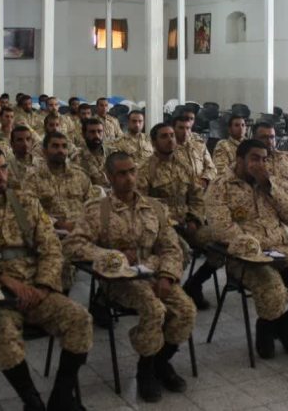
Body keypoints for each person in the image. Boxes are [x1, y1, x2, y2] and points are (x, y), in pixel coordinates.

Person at [0, 145, 92, 410]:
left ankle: (61, 395)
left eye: (3, 168)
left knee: (80, 319)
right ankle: (31, 400)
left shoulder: (26, 204)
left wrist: (44, 287)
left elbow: (51, 248)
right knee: (3, 334)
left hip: (37, 291)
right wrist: (3, 279)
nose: (0, 175)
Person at [64, 151, 196, 403]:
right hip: (119, 280)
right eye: (122, 173)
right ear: (110, 177)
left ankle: (161, 361)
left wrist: (168, 276)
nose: (129, 178)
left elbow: (170, 246)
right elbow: (73, 245)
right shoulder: (97, 210)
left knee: (186, 310)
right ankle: (145, 371)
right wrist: (111, 255)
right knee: (155, 309)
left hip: (155, 274)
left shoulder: (154, 207)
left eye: (132, 171)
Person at [206, 139, 288, 358]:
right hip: (246, 257)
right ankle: (266, 329)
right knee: (276, 291)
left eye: (264, 159)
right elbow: (222, 230)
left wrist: (270, 188)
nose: (260, 164)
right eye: (254, 159)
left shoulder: (270, 183)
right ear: (239, 160)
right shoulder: (220, 186)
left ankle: (285, 325)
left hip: (283, 251)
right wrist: (258, 250)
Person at [22, 132, 97, 232]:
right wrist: (57, 224)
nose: (60, 150)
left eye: (64, 146)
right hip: (50, 231)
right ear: (44, 151)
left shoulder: (80, 175)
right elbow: (30, 209)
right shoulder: (32, 178)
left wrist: (84, 223)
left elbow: (92, 204)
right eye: (55, 146)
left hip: (82, 229)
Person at [172, 110, 216, 189]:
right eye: (181, 128)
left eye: (188, 128)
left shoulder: (198, 145)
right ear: (174, 129)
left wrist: (205, 179)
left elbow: (211, 167)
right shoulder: (168, 148)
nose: (185, 132)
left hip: (201, 191)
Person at [74, 117, 109, 187]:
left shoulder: (113, 153)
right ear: (84, 135)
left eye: (99, 131)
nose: (96, 135)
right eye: (92, 132)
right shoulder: (77, 157)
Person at [6, 124, 39, 189]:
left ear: (32, 142)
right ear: (12, 144)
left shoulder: (42, 165)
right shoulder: (6, 167)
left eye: (28, 139)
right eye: (19, 140)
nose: (25, 144)